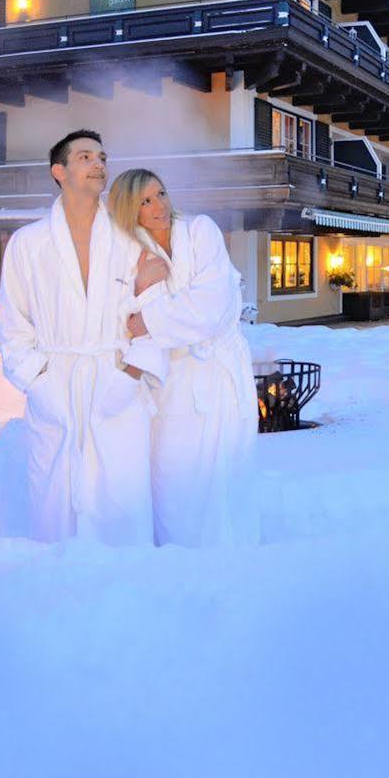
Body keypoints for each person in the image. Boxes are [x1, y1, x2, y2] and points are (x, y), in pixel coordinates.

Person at [0, 130, 156, 544]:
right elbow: (13, 326)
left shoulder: (130, 238)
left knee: (121, 497)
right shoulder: (28, 244)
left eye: (102, 156)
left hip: (115, 378)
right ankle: (57, 594)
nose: (99, 164)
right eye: (85, 157)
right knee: (56, 501)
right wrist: (40, 385)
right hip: (57, 383)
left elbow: (155, 315)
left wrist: (130, 377)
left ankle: (128, 597)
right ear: (59, 171)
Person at [106, 168, 259, 547]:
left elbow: (212, 307)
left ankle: (236, 555)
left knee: (226, 470)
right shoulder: (127, 252)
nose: (158, 206)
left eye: (161, 193)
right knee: (173, 474)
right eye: (145, 200)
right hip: (171, 377)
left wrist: (151, 317)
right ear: (129, 209)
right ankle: (180, 561)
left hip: (221, 375)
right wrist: (143, 289)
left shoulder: (199, 232)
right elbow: (121, 316)